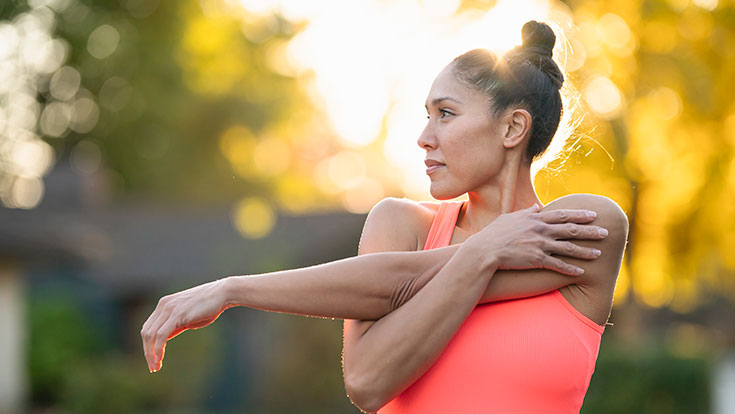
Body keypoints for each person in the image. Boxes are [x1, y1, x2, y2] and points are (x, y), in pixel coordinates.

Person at [141, 21, 628, 414]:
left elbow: (399, 282)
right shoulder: (401, 225)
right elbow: (368, 383)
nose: (423, 136)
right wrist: (486, 250)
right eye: (426, 114)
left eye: (446, 113)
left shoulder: (586, 229)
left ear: (512, 127)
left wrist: (483, 250)